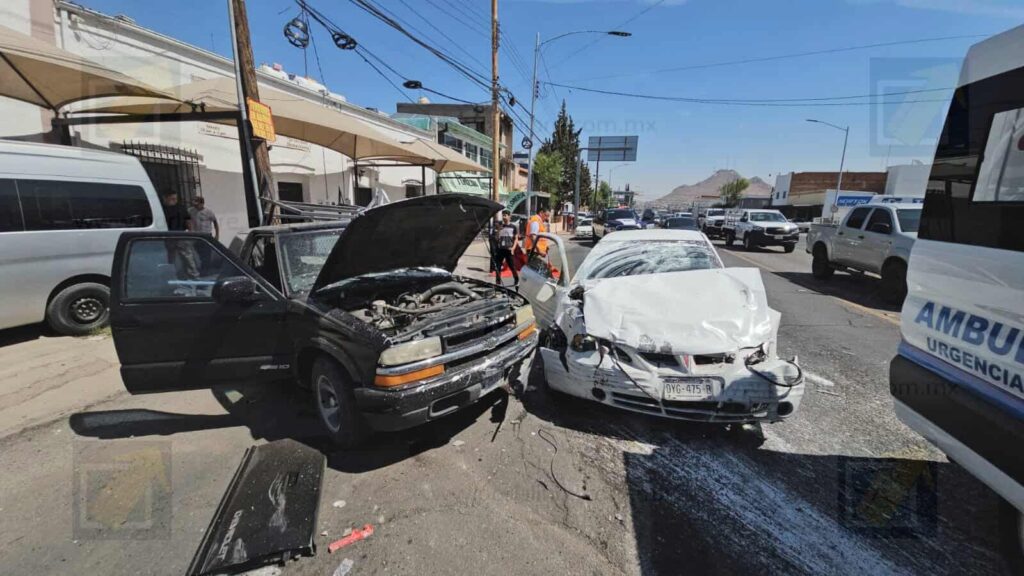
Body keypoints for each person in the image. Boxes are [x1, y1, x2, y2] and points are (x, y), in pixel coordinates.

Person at [160, 190, 199, 282]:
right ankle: (173, 278)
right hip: (168, 237)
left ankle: (195, 278)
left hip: (181, 236)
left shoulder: (181, 208)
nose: (174, 200)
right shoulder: (161, 209)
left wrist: (191, 232)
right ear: (165, 198)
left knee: (188, 258)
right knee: (170, 259)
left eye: (175, 198)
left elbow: (188, 220)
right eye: (172, 199)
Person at [492, 210, 520, 288]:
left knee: (512, 266)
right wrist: (498, 230)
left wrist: (513, 248)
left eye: (505, 215)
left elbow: (516, 239)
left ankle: (516, 280)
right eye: (503, 215)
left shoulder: (514, 227)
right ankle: (498, 283)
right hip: (500, 249)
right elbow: (497, 238)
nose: (504, 217)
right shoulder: (500, 226)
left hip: (509, 249)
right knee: (497, 266)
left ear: (509, 216)